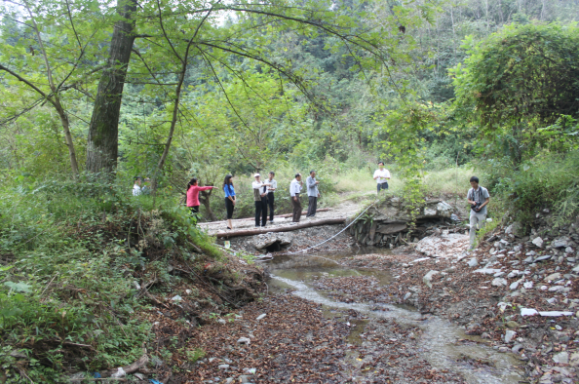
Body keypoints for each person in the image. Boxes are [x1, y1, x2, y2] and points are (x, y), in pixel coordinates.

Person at [467, 176, 490, 249]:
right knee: (472, 227)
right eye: (471, 184)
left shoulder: (483, 190)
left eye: (474, 183)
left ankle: (480, 243)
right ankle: (472, 244)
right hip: (473, 212)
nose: (473, 185)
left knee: (481, 228)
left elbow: (487, 200)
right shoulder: (470, 191)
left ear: (477, 183)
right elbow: (468, 200)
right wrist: (473, 202)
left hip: (482, 211)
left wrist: (480, 206)